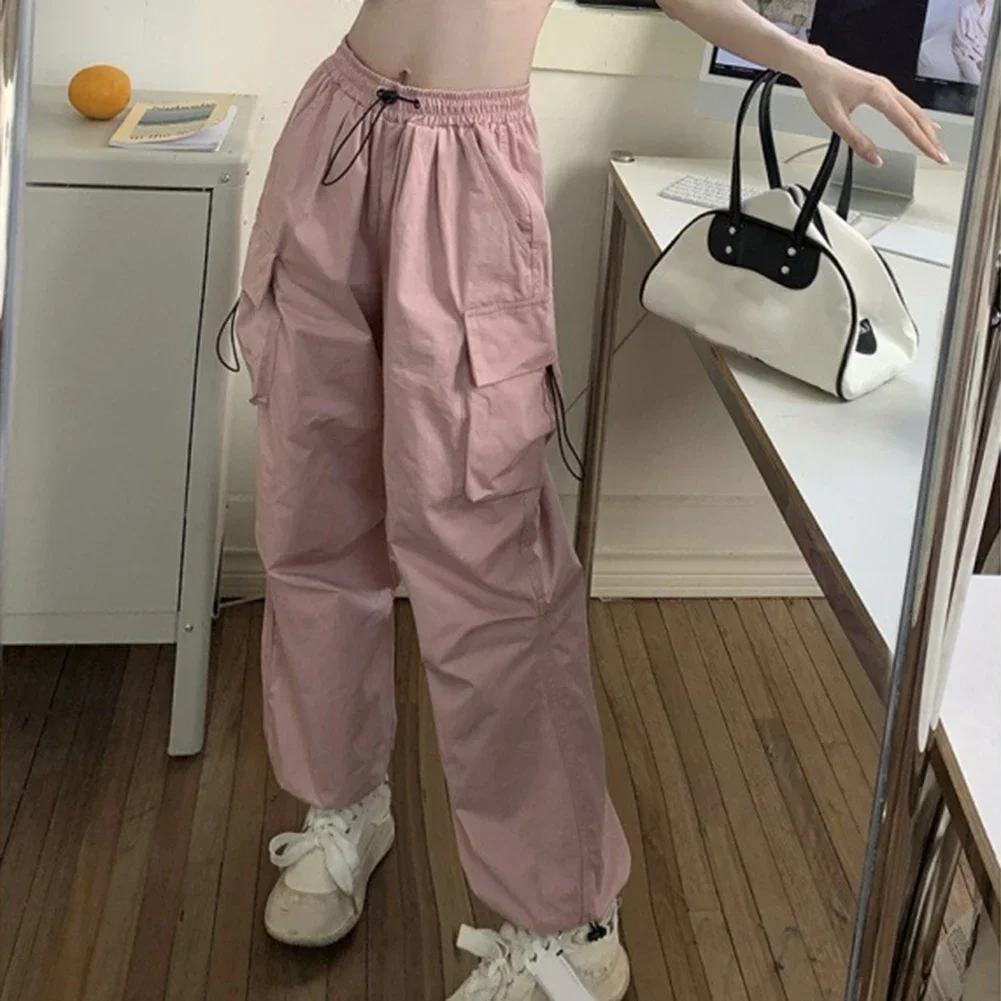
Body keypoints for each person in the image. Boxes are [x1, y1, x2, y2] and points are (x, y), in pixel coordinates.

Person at [234, 2, 947, 998]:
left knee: (488, 566)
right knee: (311, 513)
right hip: (337, 130)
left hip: (465, 169)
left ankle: (565, 919)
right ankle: (342, 801)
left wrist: (798, 57)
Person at [954, 0, 991, 84]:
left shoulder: (991, 11)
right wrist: (978, 60)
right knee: (978, 81)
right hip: (965, 52)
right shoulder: (965, 10)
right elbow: (961, 40)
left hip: (983, 51)